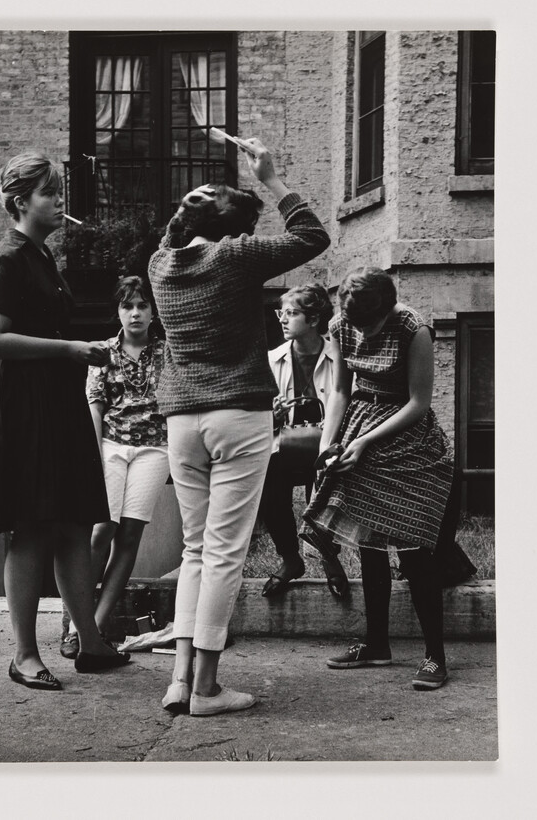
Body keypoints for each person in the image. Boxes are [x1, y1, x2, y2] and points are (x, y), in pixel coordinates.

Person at [148, 138, 331, 717]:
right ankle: (206, 689)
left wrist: (188, 208)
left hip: (182, 420)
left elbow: (173, 235)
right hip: (238, 416)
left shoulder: (160, 265)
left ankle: (178, 681)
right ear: (235, 232)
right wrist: (271, 178)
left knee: (195, 549)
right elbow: (313, 237)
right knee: (225, 553)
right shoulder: (235, 258)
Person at [0, 152, 129, 690]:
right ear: (20, 203)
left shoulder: (39, 256)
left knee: (75, 519)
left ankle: (90, 642)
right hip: (20, 403)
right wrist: (69, 349)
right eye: (50, 193)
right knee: (33, 523)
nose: (60, 201)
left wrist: (80, 350)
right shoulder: (6, 259)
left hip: (54, 398)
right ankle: (23, 655)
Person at [301, 266, 454, 690]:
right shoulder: (341, 325)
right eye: (356, 323)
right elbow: (340, 391)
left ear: (387, 308)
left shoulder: (412, 328)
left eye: (370, 324)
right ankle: (376, 644)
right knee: (369, 546)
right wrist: (327, 445)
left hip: (408, 440)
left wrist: (366, 441)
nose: (363, 332)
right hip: (359, 426)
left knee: (413, 549)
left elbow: (419, 402)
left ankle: (435, 656)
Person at [60, 275, 169, 658]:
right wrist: (93, 459)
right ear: (118, 312)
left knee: (129, 536)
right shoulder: (103, 352)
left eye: (142, 305)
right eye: (127, 306)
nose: (135, 312)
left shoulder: (167, 352)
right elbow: (95, 407)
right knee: (101, 530)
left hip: (154, 449)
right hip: (109, 446)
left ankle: (95, 628)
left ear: (153, 311)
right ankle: (75, 625)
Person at [260, 283, 349, 599]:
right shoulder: (272, 359)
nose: (283, 320)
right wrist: (272, 414)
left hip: (328, 443)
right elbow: (257, 417)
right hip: (284, 443)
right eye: (281, 313)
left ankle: (329, 558)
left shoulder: (338, 356)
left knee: (325, 482)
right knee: (268, 481)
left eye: (291, 313)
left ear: (313, 319)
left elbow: (347, 402)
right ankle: (290, 559)